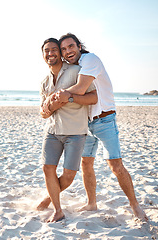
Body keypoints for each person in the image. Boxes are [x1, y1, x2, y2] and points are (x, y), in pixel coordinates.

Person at [55, 33, 148, 221]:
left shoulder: (90, 59)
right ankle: (91, 203)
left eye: (71, 46)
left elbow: (81, 88)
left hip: (105, 120)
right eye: (64, 49)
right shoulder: (72, 68)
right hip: (85, 123)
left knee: (115, 165)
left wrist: (57, 97)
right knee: (86, 163)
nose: (68, 51)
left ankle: (135, 205)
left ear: (79, 46)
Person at [39, 38, 97, 222]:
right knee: (48, 168)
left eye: (54, 49)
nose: (50, 54)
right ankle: (58, 210)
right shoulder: (45, 81)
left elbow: (94, 97)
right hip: (52, 132)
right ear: (43, 55)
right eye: (46, 51)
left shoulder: (75, 72)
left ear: (60, 52)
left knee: (69, 175)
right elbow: (43, 112)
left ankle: (50, 196)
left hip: (75, 132)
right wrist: (46, 109)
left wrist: (68, 98)